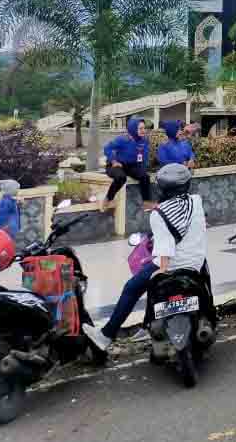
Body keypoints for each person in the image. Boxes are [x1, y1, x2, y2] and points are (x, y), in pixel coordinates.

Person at [84, 163, 211, 352]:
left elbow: (165, 251)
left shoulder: (158, 214)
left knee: (133, 286)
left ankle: (106, 335)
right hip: (197, 262)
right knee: (206, 283)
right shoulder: (196, 202)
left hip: (172, 263)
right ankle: (209, 316)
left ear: (161, 187)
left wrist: (160, 273)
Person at [102, 117, 152, 212]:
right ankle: (108, 198)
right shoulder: (122, 139)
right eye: (140, 128)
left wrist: (142, 168)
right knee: (121, 178)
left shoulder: (144, 140)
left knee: (145, 177)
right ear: (133, 129)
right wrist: (113, 161)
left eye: (144, 128)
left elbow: (144, 156)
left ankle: (146, 202)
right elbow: (107, 148)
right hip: (116, 164)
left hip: (131, 166)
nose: (143, 131)